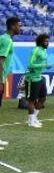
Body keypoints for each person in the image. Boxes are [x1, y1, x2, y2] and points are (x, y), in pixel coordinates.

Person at [0, 16, 21, 146]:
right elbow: (0, 60)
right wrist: (0, 81)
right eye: (19, 25)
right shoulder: (7, 40)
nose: (21, 28)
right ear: (13, 26)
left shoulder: (4, 38)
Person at [24, 33, 51, 128]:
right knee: (31, 100)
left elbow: (41, 63)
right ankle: (31, 122)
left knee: (43, 98)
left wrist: (46, 66)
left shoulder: (44, 51)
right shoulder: (35, 50)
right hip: (32, 78)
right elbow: (30, 65)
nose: (47, 43)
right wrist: (44, 65)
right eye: (45, 41)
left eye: (48, 41)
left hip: (39, 77)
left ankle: (34, 118)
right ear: (40, 42)